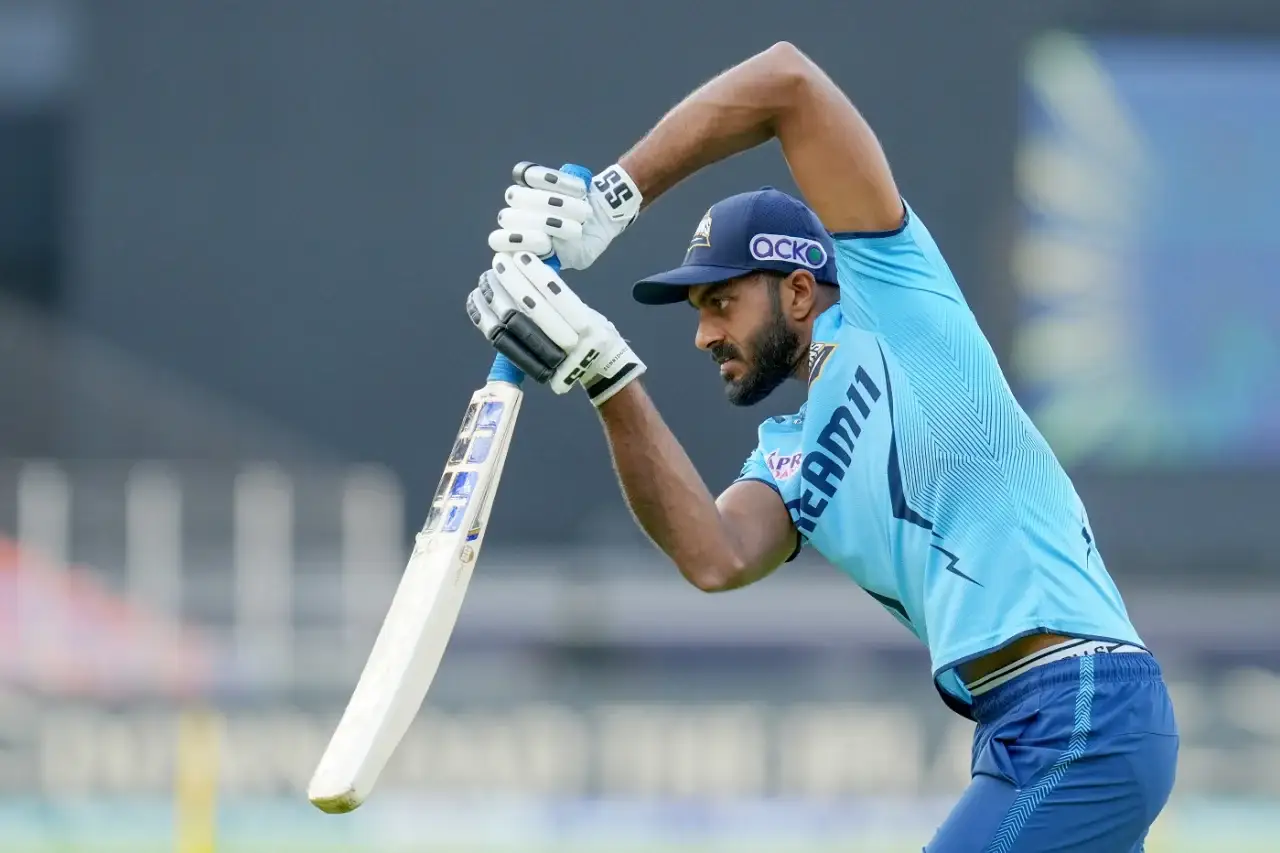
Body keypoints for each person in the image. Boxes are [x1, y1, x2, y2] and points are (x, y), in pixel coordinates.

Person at [465, 42, 1178, 852]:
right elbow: (714, 555)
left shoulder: (891, 292)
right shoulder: (790, 452)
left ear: (800, 289)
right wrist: (608, 378)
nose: (704, 335)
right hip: (1024, 724)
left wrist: (613, 197)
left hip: (1080, 705)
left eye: (721, 301)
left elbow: (788, 82)